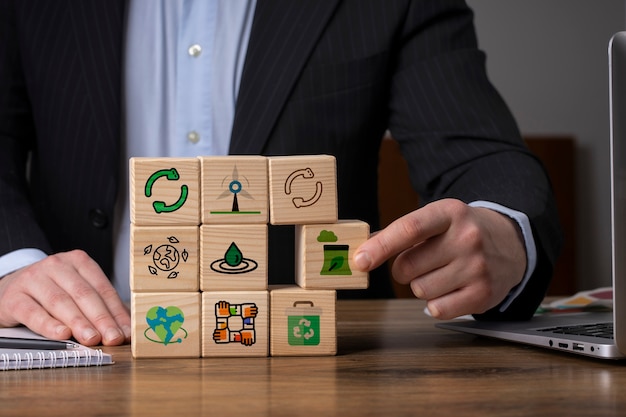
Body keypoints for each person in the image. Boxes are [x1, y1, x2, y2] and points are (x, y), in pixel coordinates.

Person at [0, 0, 562, 347]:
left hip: (321, 362)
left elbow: (482, 156)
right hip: (82, 350)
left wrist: (502, 231)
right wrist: (13, 262)